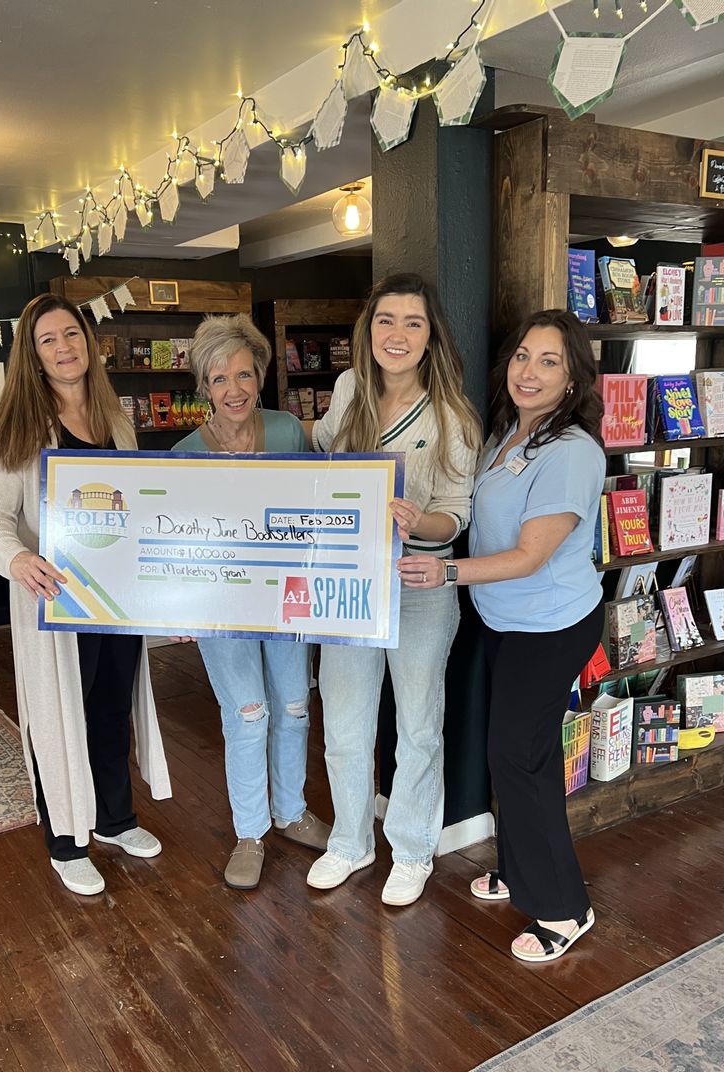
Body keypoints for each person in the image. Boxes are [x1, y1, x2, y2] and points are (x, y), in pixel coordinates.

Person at [399, 308, 605, 961]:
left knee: (519, 757)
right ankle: (519, 871)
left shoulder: (572, 451)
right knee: (511, 754)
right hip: (507, 621)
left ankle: (564, 907)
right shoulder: (510, 436)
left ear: (572, 378)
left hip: (551, 624)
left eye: (548, 361)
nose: (529, 371)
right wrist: (419, 520)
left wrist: (447, 572)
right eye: (523, 356)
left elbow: (529, 555)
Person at [0, 293, 170, 897]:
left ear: (90, 342)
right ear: (32, 356)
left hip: (114, 603)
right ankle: (65, 841)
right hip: (56, 605)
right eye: (48, 340)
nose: (64, 348)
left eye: (72, 335)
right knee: (63, 718)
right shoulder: (22, 429)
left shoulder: (119, 425)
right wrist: (19, 558)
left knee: (110, 711)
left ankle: (113, 820)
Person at [306, 273, 482, 906]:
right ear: (369, 329)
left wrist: (417, 520)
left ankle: (410, 851)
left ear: (431, 336)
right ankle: (350, 842)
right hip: (351, 583)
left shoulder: (451, 413)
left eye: (413, 322)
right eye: (386, 320)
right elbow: (323, 460)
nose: (397, 334)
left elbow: (457, 513)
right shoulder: (349, 389)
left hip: (420, 586)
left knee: (418, 729)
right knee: (347, 726)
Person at [171, 313, 331, 890]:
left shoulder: (288, 430)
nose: (234, 389)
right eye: (220, 379)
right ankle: (249, 831)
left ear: (259, 376)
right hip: (223, 607)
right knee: (247, 715)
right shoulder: (185, 452)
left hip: (287, 598)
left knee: (293, 705)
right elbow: (179, 542)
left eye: (244, 374)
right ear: (204, 387)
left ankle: (290, 812)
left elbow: (316, 512)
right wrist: (182, 608)